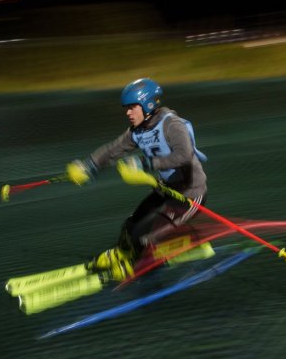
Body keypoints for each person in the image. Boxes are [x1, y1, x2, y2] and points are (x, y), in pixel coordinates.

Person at [65, 77, 208, 281]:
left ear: (147, 104)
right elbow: (114, 149)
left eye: (132, 107)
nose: (128, 113)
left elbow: (183, 156)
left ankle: (144, 267)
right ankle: (125, 253)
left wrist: (147, 163)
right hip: (165, 189)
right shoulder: (138, 131)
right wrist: (90, 165)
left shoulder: (172, 125)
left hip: (190, 195)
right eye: (127, 108)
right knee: (131, 225)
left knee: (146, 237)